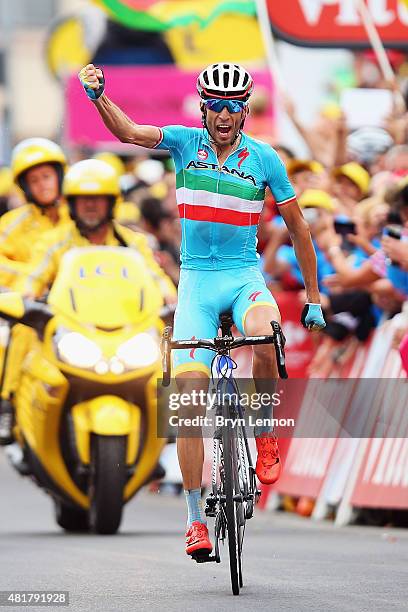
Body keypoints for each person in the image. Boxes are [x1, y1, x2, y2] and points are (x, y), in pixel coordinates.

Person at [78, 61, 326, 557]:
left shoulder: (265, 158)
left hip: (241, 276)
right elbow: (127, 131)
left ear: (244, 109)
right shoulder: (184, 143)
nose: (223, 114)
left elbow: (299, 229)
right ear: (204, 106)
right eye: (215, 104)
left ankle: (263, 431)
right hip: (195, 281)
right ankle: (195, 519)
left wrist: (315, 300)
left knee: (265, 331)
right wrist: (98, 97)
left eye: (232, 106)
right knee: (190, 402)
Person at [17, 159, 176, 302]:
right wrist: (26, 294)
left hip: (127, 327)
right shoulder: (53, 243)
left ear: (112, 202)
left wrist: (169, 297)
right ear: (71, 203)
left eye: (98, 198)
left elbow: (156, 277)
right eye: (83, 198)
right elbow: (32, 278)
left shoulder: (134, 242)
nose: (90, 205)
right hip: (70, 330)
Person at [0, 138, 70, 444]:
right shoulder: (13, 223)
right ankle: (7, 402)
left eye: (46, 176)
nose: (42, 185)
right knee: (21, 332)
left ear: (59, 176)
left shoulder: (79, 216)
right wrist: (31, 281)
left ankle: (156, 417)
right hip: (36, 307)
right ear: (25, 187)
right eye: (34, 180)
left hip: (83, 304)